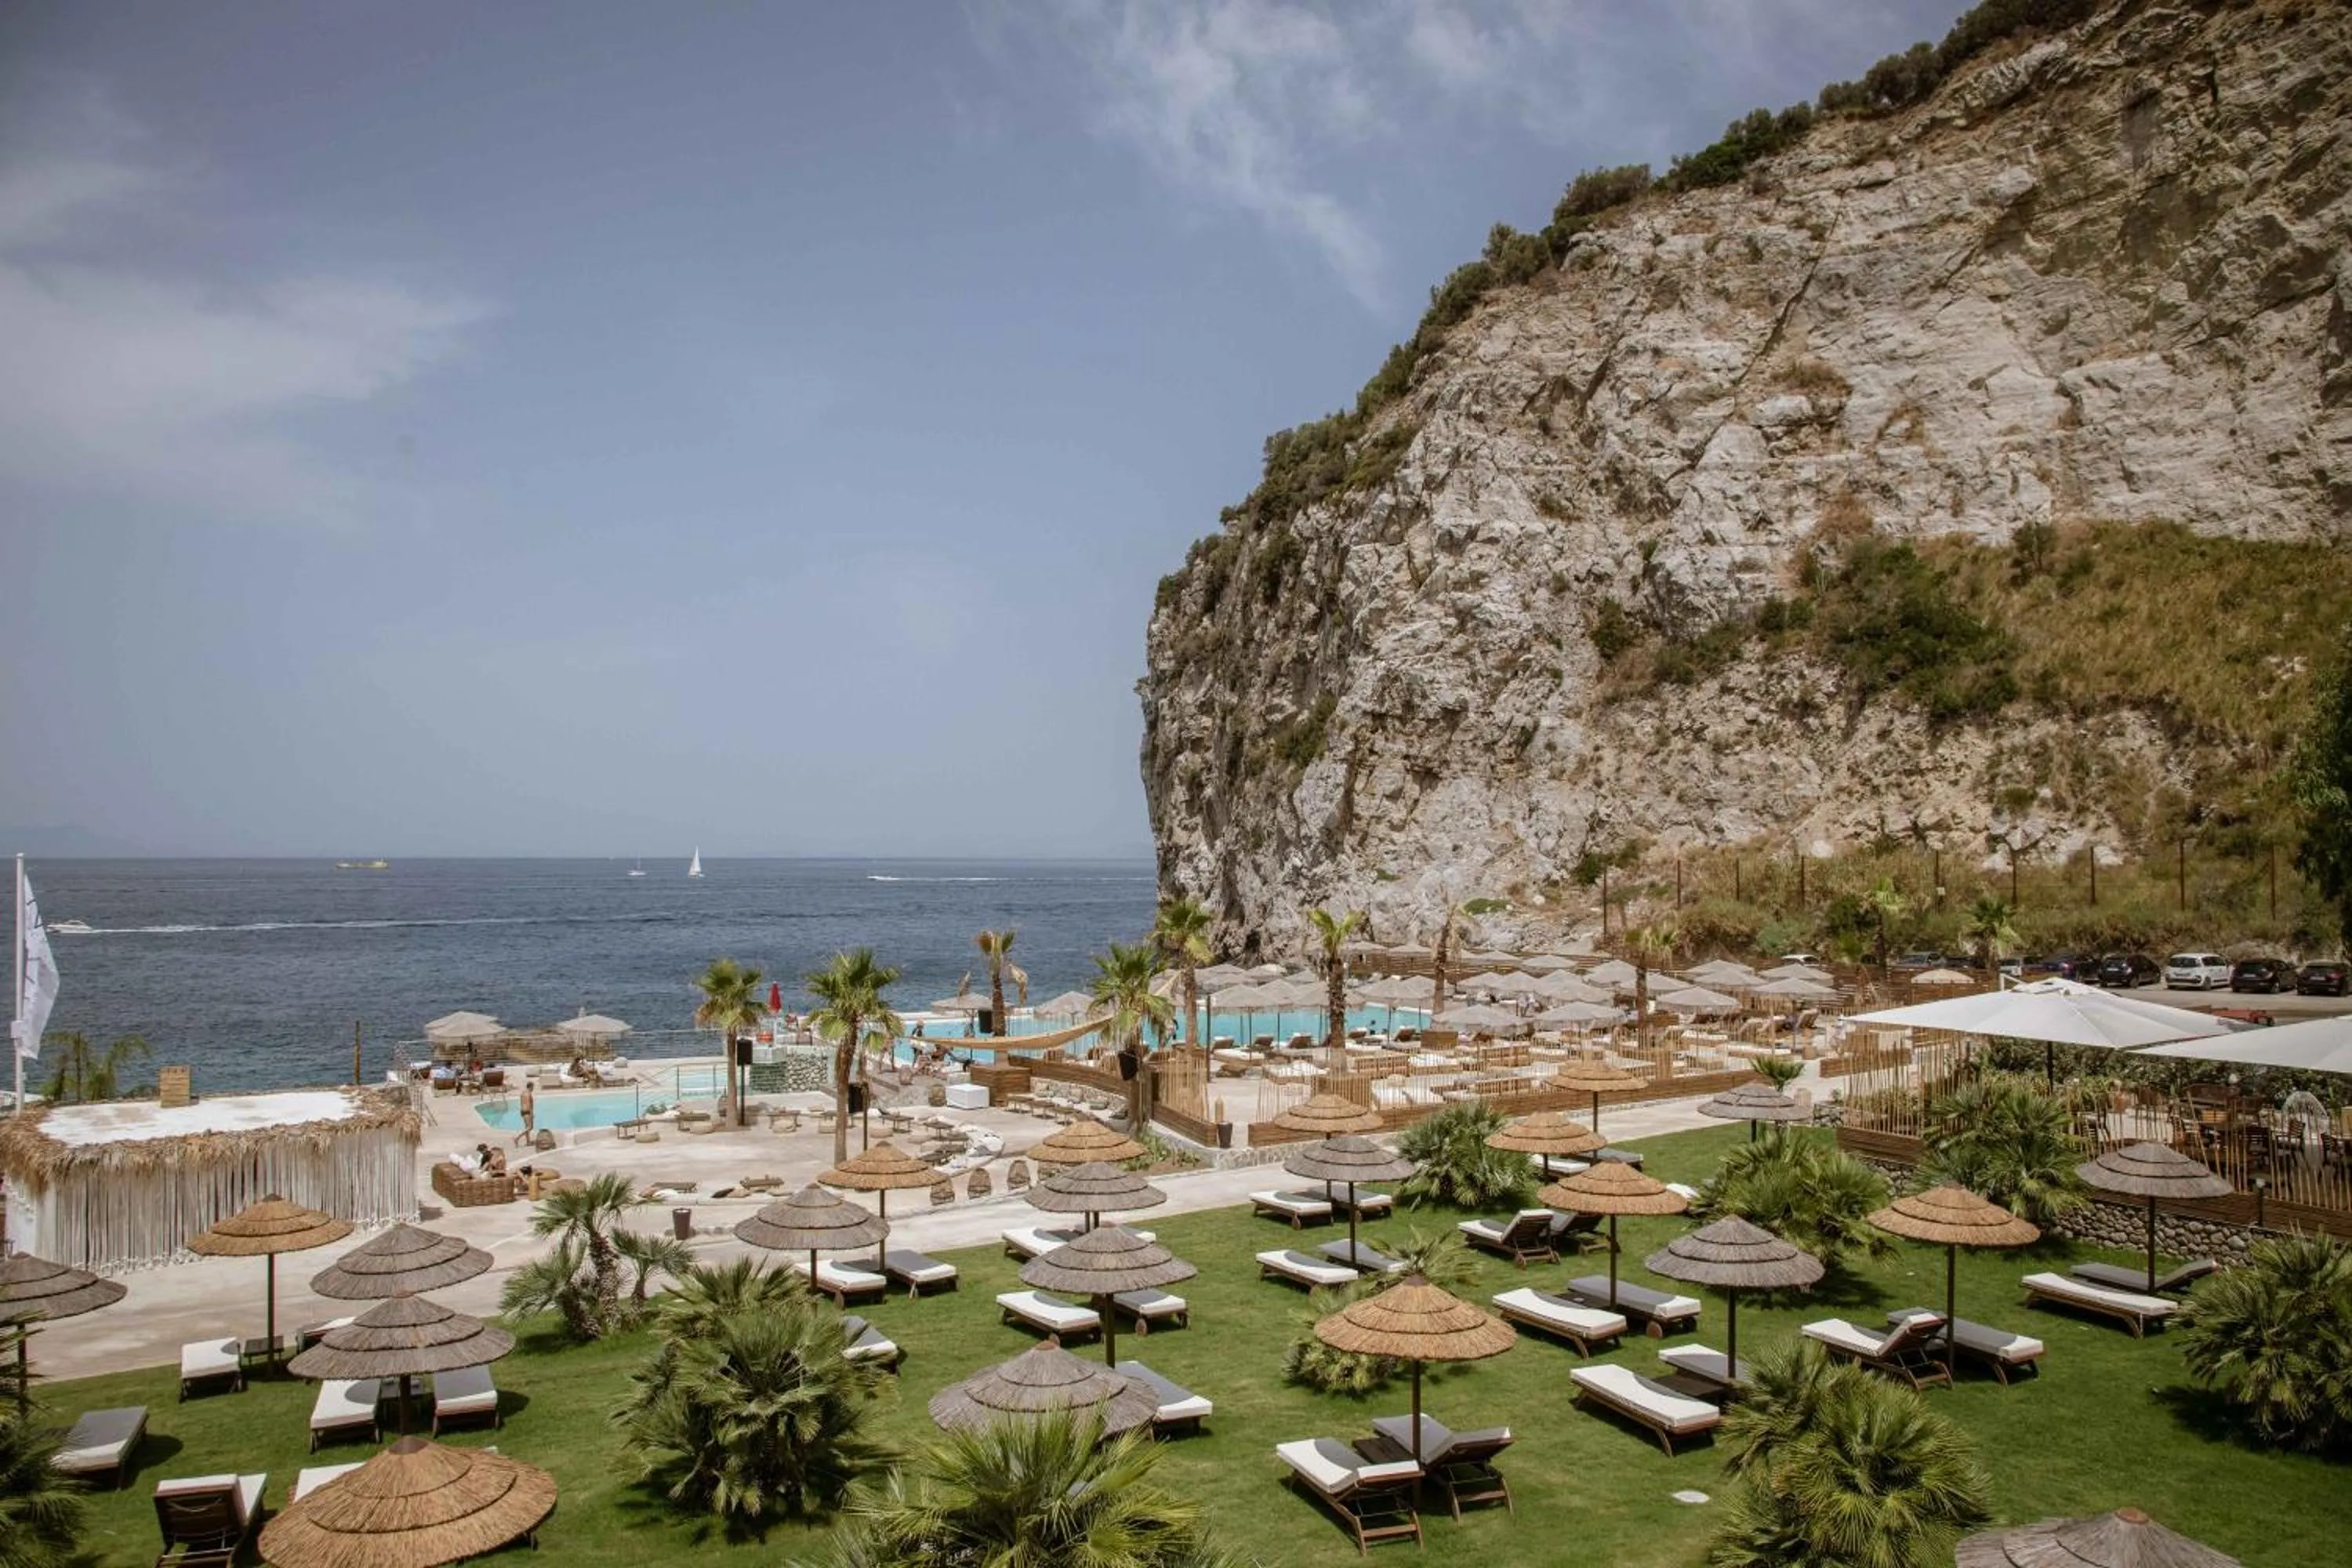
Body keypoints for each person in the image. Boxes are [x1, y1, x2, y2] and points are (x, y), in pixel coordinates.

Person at [512, 1080, 536, 1147]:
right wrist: (532, 1114)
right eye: (533, 1087)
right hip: (527, 1111)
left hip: (523, 1111)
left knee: (527, 1127)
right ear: (530, 1087)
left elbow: (522, 1103)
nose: (533, 1089)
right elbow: (528, 1104)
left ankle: (528, 1142)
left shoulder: (523, 1093)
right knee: (530, 1127)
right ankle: (517, 1138)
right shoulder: (529, 1094)